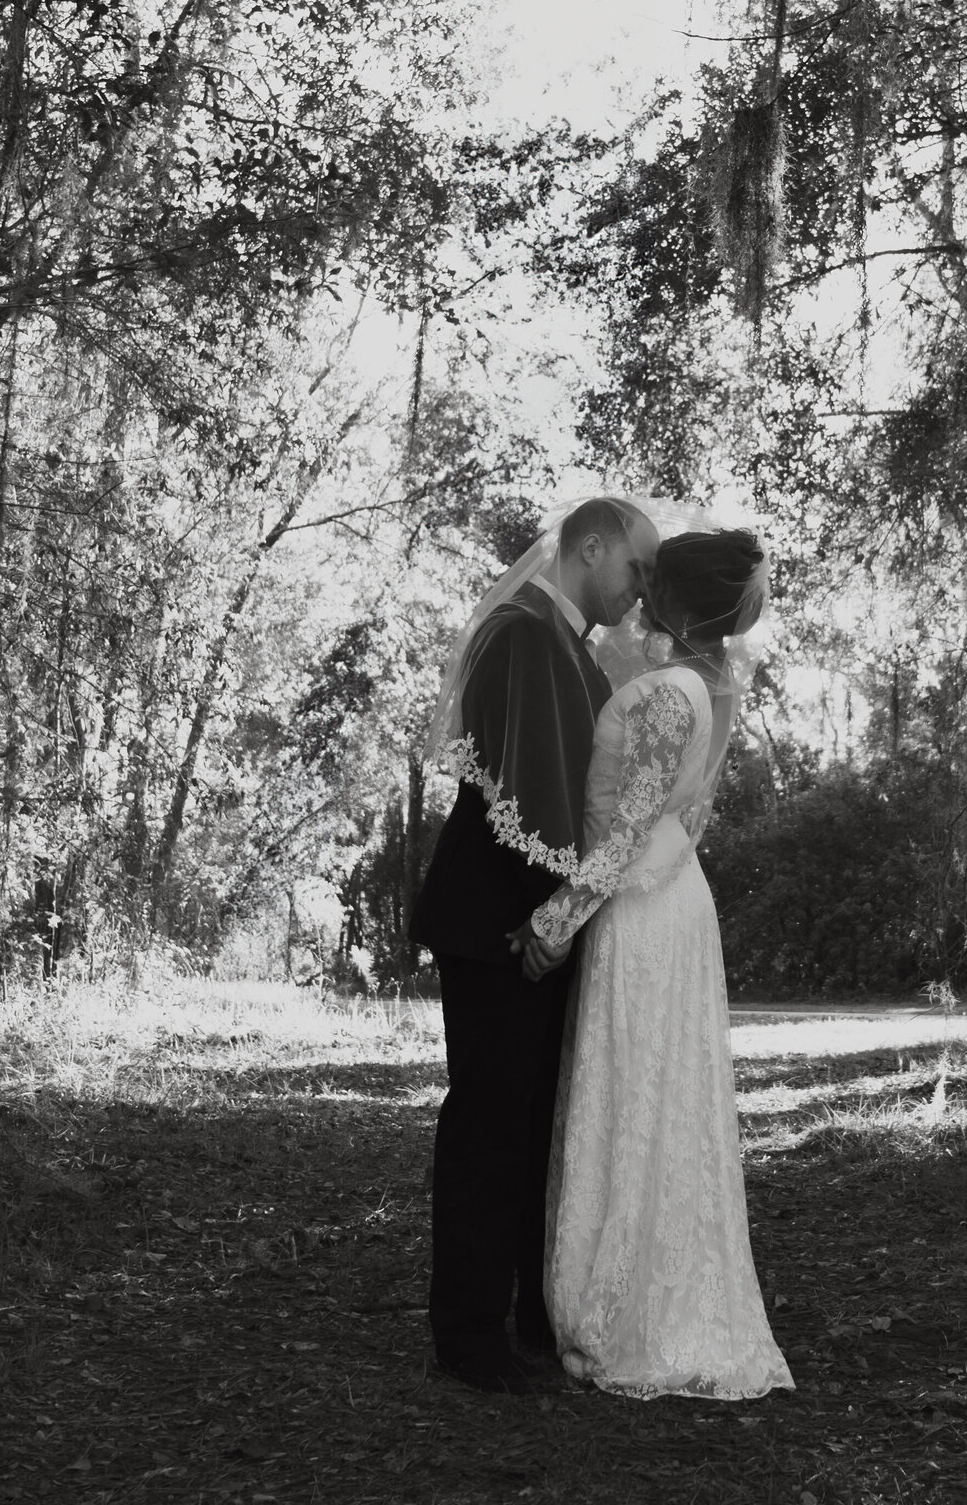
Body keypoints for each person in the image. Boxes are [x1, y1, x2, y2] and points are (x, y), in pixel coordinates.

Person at [521, 526, 795, 1400]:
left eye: (648, 577)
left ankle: (634, 1310)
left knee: (641, 1089)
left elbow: (630, 826)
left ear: (672, 600)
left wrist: (554, 920)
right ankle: (655, 1289)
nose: (635, 588)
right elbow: (689, 824)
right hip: (675, 898)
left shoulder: (670, 693)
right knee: (658, 1093)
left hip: (641, 911)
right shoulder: (707, 689)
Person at [410, 497, 659, 1394]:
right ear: (590, 547)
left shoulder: (572, 648)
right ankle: (468, 1335)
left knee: (532, 1126)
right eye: (636, 568)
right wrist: (545, 920)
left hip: (534, 922)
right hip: (496, 924)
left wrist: (566, 919)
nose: (643, 591)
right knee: (489, 1128)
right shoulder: (521, 634)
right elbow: (521, 797)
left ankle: (526, 1314)